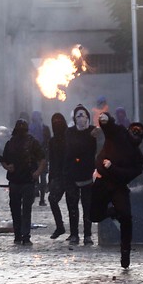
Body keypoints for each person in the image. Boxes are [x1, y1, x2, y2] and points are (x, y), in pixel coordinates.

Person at [90, 112, 143, 269]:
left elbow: (127, 175)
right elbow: (109, 126)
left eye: (139, 132)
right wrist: (105, 118)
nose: (135, 133)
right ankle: (112, 212)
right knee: (94, 215)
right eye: (134, 129)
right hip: (102, 181)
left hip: (118, 186)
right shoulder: (118, 133)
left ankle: (125, 252)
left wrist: (113, 168)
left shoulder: (138, 158)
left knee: (126, 217)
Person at [0, 119, 46, 245]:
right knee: (15, 209)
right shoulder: (10, 143)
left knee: (26, 209)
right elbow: (3, 159)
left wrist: (37, 173)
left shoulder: (32, 143)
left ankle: (25, 235)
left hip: (28, 181)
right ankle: (18, 235)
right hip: (15, 181)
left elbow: (42, 158)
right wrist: (8, 167)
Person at [64, 104, 97, 245]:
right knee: (73, 207)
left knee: (87, 207)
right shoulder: (69, 132)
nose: (81, 118)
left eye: (83, 115)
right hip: (72, 176)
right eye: (78, 116)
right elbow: (67, 151)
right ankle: (74, 234)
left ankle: (88, 235)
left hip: (88, 175)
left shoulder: (93, 132)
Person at [47, 112, 68, 239]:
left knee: (73, 204)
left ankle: (76, 233)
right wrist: (51, 178)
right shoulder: (52, 141)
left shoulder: (69, 138)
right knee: (52, 200)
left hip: (69, 174)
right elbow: (52, 160)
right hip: (58, 176)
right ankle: (60, 226)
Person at [28, 110, 51, 206]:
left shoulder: (29, 128)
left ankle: (33, 195)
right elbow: (49, 142)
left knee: (34, 176)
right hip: (43, 155)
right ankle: (42, 199)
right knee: (43, 176)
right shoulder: (45, 128)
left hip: (33, 156)